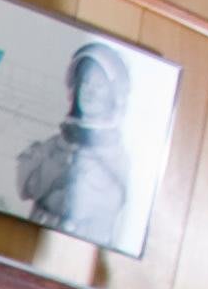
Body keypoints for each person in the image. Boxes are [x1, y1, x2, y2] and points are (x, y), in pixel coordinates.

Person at [15, 43, 136, 245]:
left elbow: (100, 206)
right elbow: (25, 187)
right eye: (85, 82)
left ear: (114, 94)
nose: (90, 91)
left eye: (99, 85)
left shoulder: (117, 158)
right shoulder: (55, 144)